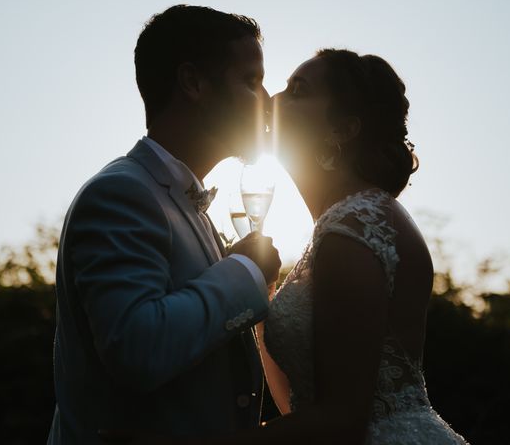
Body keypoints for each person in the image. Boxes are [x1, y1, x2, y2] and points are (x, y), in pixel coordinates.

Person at [102, 49, 470, 444]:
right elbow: (297, 404)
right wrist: (263, 292)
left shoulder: (354, 230)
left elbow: (340, 423)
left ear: (342, 129)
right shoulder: (341, 222)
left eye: (298, 90)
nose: (273, 100)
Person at [47, 4, 281, 444]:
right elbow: (139, 348)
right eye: (251, 81)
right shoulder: (120, 195)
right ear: (193, 83)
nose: (268, 102)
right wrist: (245, 272)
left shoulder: (184, 205)